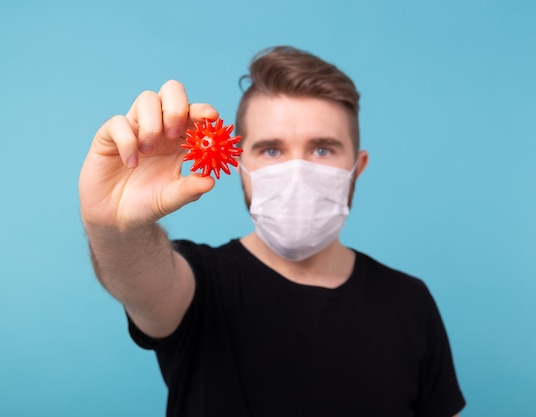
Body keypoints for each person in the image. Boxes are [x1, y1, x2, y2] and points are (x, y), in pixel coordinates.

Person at [79, 46, 465, 417]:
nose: (297, 173)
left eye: (322, 149)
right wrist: (115, 230)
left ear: (357, 167)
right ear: (240, 164)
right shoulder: (200, 284)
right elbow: (142, 277)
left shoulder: (409, 302)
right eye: (272, 150)